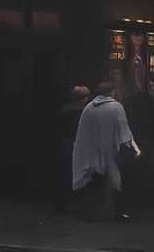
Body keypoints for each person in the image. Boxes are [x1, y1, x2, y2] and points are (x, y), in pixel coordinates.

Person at [72, 80, 140, 220]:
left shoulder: (89, 107)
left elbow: (82, 132)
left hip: (92, 150)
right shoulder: (116, 107)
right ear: (111, 92)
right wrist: (133, 147)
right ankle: (118, 212)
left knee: (93, 180)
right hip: (111, 149)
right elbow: (124, 130)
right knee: (115, 181)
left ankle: (91, 212)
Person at [55, 85, 90, 213]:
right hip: (78, 144)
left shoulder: (64, 109)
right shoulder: (84, 111)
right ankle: (85, 207)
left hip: (65, 143)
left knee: (65, 175)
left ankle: (60, 204)